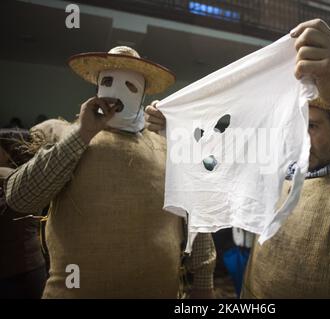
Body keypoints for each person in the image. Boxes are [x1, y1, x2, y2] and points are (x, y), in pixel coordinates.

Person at [147, 19, 330, 298]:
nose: (300, 137)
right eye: (295, 125)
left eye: (312, 125)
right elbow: (219, 162)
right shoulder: (274, 179)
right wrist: (178, 129)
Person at [4, 46, 215, 298]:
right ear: (96, 90)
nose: (117, 93)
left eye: (131, 86)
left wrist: (204, 284)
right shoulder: (68, 137)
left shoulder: (166, 148)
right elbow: (19, 198)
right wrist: (82, 133)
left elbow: (197, 219)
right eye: (108, 81)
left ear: (143, 95)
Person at [0, 128, 47, 298]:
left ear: (7, 153)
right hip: (25, 268)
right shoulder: (28, 179)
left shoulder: (17, 184)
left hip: (17, 274)